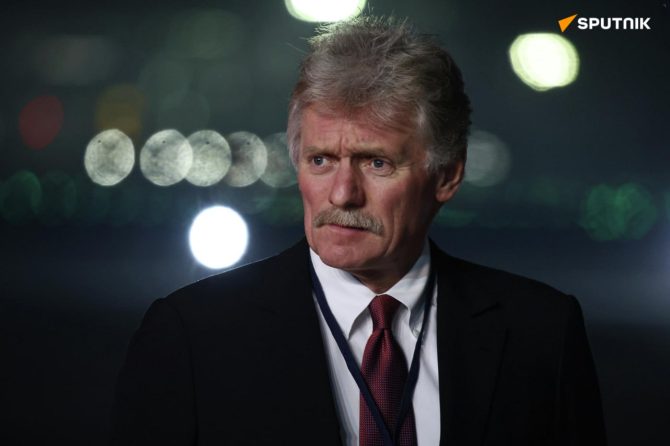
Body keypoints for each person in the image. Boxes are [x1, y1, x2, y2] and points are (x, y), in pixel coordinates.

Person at [111, 16, 606, 446]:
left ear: (447, 175)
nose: (343, 194)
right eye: (321, 160)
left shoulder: (543, 333)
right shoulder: (190, 336)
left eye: (376, 162)